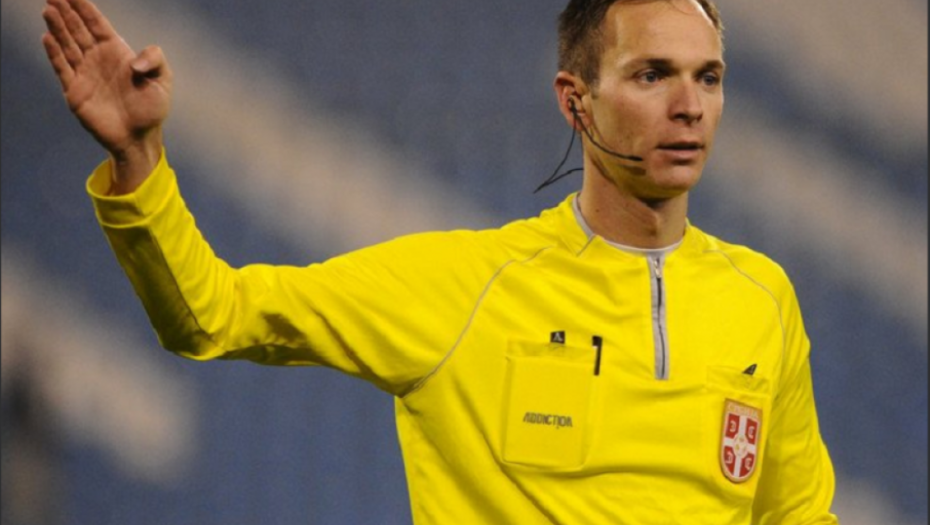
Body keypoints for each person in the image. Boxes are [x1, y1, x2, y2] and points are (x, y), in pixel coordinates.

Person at [42, 0, 840, 522]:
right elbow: (212, 313)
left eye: (709, 77)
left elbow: (799, 513)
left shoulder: (761, 297)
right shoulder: (466, 286)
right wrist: (139, 158)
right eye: (652, 74)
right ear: (575, 100)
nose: (689, 106)